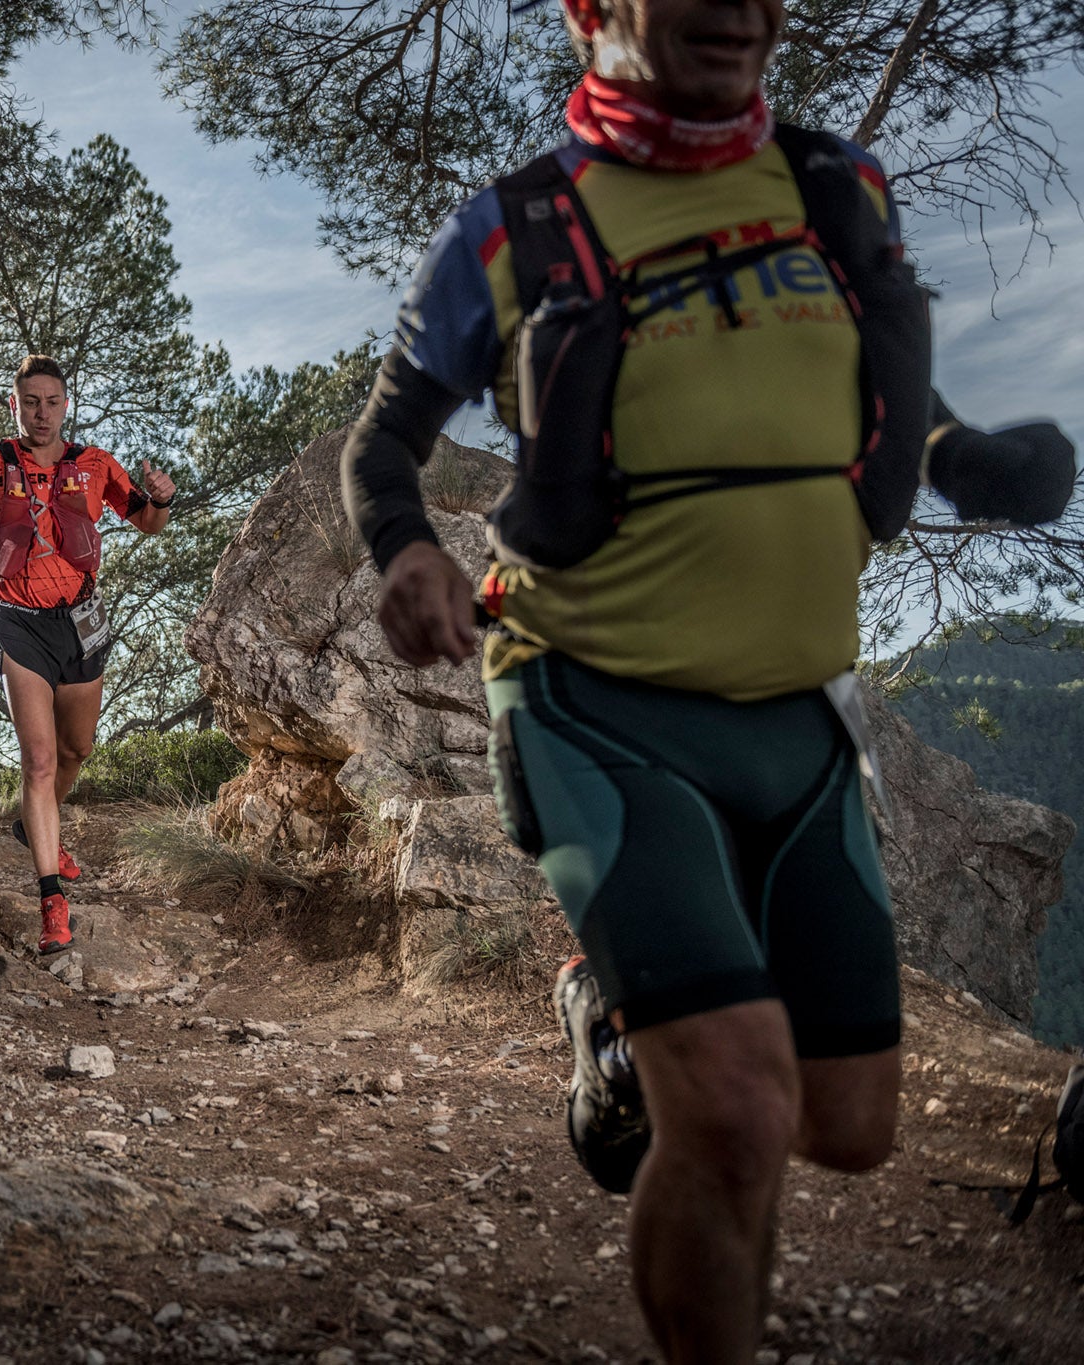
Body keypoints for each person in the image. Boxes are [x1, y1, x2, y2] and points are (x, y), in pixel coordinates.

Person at [341, 2, 1076, 1361]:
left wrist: (970, 463)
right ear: (596, 10)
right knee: (734, 1112)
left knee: (846, 1128)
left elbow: (879, 389)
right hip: (592, 695)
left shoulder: (831, 188)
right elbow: (382, 441)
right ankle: (634, 1014)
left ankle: (631, 1007)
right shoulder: (516, 226)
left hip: (796, 717)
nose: (739, 10)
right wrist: (408, 552)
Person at [0, 355, 176, 953]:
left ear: (65, 405)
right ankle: (52, 902)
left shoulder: (96, 467)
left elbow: (147, 522)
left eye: (51, 402)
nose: (40, 413)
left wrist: (162, 499)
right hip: (17, 621)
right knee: (40, 762)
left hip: (80, 624)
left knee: (77, 750)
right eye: (30, 402)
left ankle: (32, 826)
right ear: (14, 405)